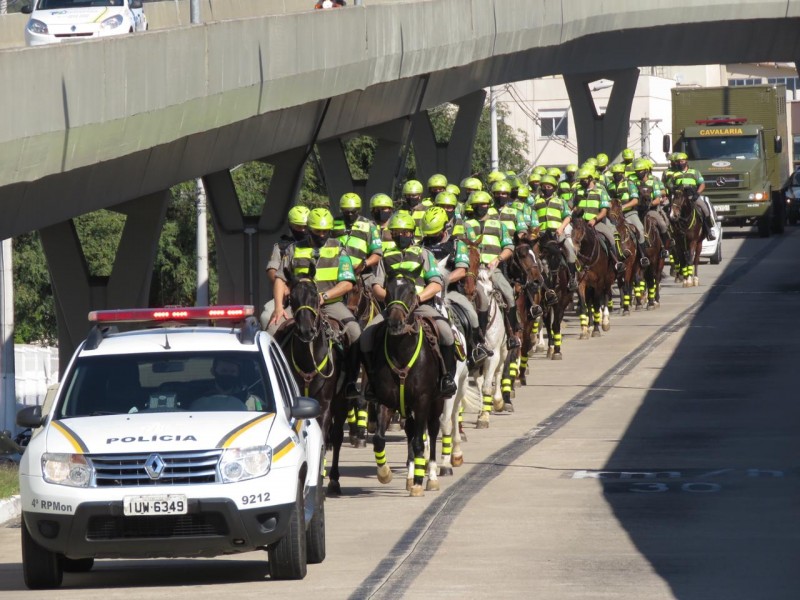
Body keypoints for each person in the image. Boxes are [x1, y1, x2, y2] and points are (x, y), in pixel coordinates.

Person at [360, 212, 458, 398]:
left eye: (404, 232)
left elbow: (436, 283)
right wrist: (390, 300)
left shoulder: (424, 254)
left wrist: (418, 299)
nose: (400, 236)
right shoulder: (386, 257)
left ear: (412, 233)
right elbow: (376, 287)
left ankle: (446, 378)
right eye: (396, 232)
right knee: (366, 337)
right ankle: (373, 383)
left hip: (420, 305)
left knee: (446, 332)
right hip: (394, 307)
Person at [269, 207, 362, 400]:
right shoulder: (294, 248)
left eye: (325, 231)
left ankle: (351, 382)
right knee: (271, 329)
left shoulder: (339, 248)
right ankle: (273, 380)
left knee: (355, 332)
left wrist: (324, 297)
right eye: (317, 231)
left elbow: (347, 282)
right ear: (308, 230)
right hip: (300, 304)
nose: (321, 235)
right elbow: (279, 278)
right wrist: (278, 307)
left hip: (329, 303)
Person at [420, 206, 491, 366]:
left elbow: (461, 271)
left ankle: (476, 346)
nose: (431, 237)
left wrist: (442, 280)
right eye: (428, 234)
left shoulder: (456, 244)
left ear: (445, 228)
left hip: (451, 291)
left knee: (471, 314)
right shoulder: (419, 246)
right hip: (425, 291)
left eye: (434, 233)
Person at [464, 191, 521, 348]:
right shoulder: (465, 224)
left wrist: (498, 259)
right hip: (471, 272)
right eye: (477, 205)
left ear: (488, 206)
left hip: (491, 270)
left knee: (509, 294)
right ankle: (478, 338)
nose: (481, 207)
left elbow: (509, 246)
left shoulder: (499, 225)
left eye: (483, 205)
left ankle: (513, 333)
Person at [260, 205, 309, 329]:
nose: (303, 230)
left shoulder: (317, 246)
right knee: (266, 316)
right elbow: (272, 270)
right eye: (299, 226)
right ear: (291, 226)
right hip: (286, 296)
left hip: (312, 295)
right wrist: (284, 287)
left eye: (305, 226)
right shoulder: (281, 247)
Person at [571, 167, 626, 273]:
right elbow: (571, 206)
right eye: (581, 179)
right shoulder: (578, 192)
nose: (582, 181)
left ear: (591, 178)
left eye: (584, 179)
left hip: (596, 223)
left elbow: (604, 211)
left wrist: (594, 219)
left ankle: (617, 262)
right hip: (579, 224)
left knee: (610, 237)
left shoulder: (601, 192)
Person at [533, 175, 578, 291]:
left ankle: (572, 278)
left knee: (570, 251)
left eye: (549, 186)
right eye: (544, 186)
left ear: (554, 188)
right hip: (542, 235)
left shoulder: (560, 201)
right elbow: (532, 218)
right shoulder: (536, 202)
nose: (546, 188)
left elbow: (568, 216)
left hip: (556, 233)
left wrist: (561, 228)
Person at [608, 161, 649, 267]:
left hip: (629, 213)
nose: (615, 176)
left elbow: (635, 200)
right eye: (614, 174)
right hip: (615, 216)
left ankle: (643, 256)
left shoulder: (629, 184)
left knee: (639, 229)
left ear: (622, 173)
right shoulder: (610, 185)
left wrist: (623, 207)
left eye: (618, 174)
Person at [672, 152, 717, 240]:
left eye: (682, 161)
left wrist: (697, 194)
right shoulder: (675, 174)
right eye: (678, 162)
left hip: (692, 197)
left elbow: (702, 184)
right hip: (680, 199)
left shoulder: (695, 172)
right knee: (672, 213)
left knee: (705, 210)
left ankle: (709, 231)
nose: (680, 163)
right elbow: (671, 186)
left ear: (686, 161)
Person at [194, 357, 264, 411]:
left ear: (238, 374)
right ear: (213, 371)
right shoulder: (199, 399)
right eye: (224, 371)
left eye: (233, 372)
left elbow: (262, 415)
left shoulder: (254, 400)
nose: (228, 375)